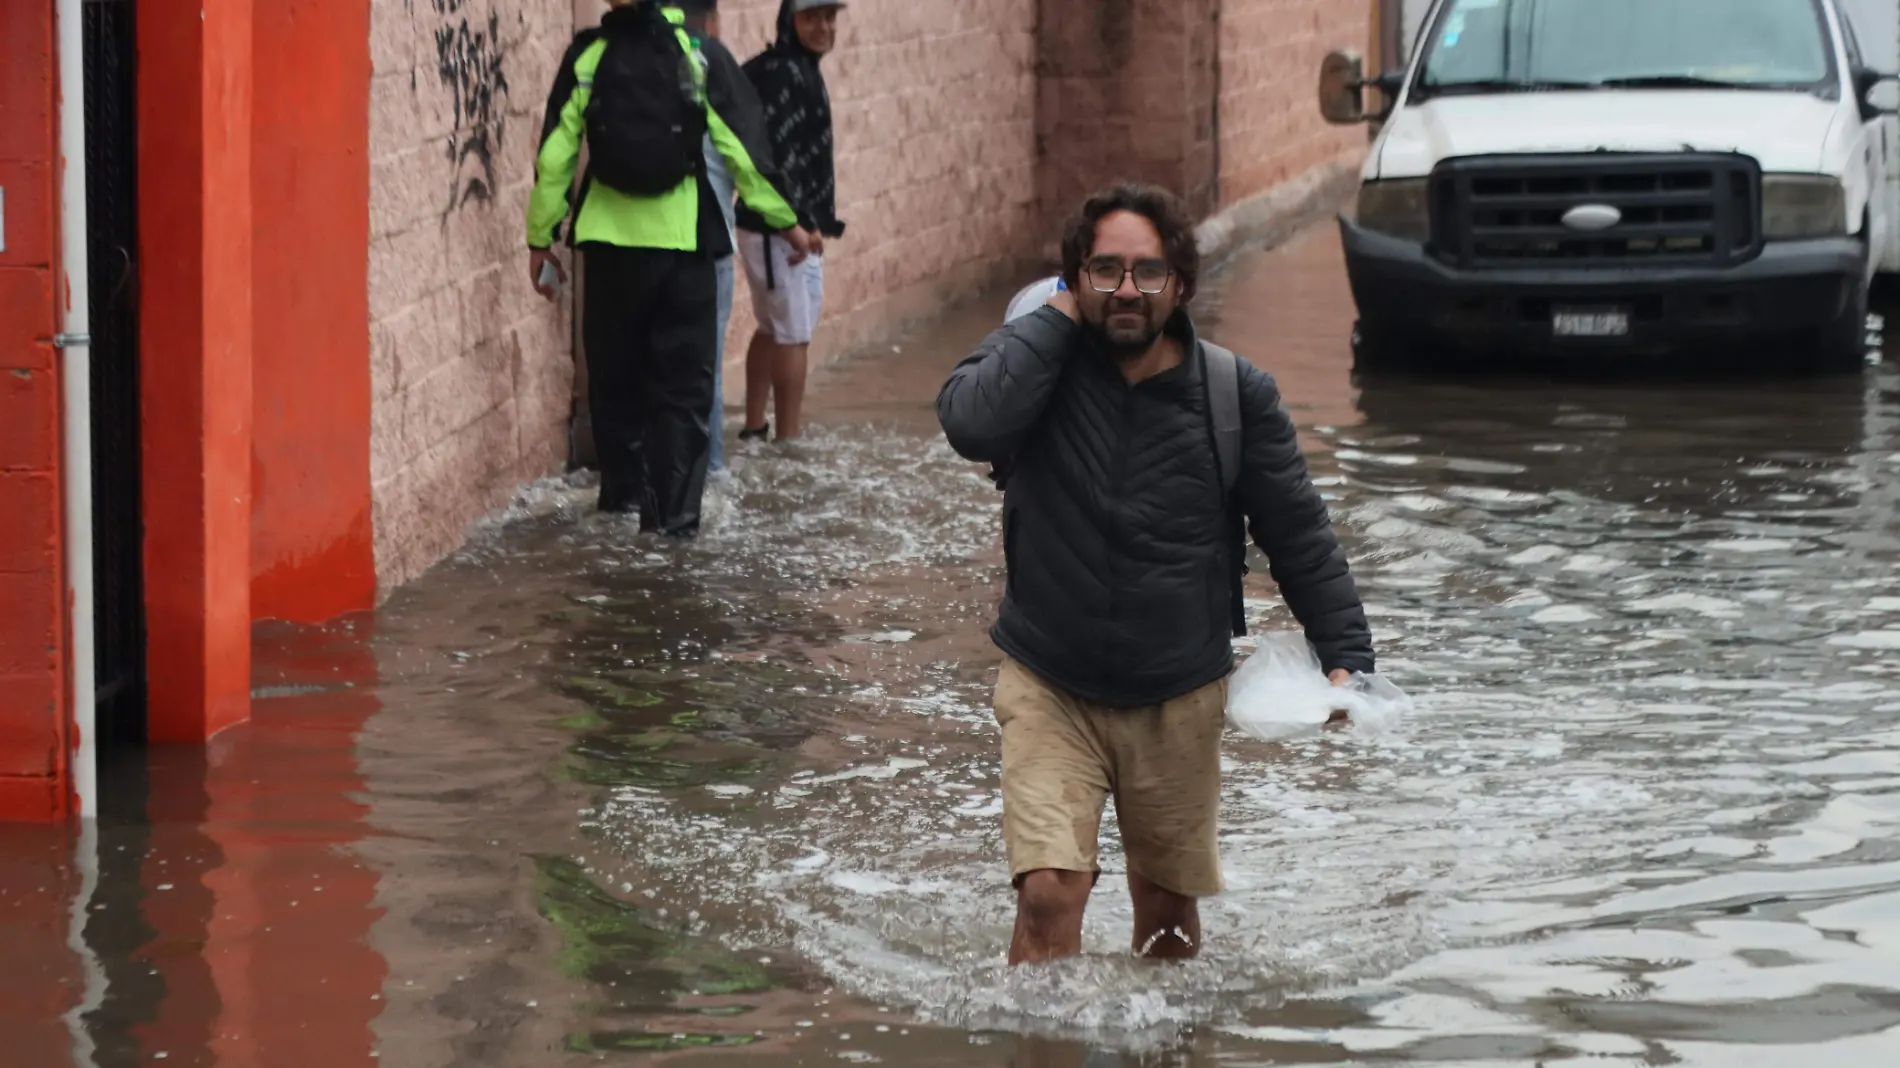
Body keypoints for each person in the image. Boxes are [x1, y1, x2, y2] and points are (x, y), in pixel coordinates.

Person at [936, 183, 1376, 966]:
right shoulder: (1038, 373)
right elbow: (969, 423)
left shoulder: (1234, 396)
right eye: (1105, 271)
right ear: (1075, 278)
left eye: (1147, 272)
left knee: (1168, 920)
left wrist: (1346, 658)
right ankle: (1040, 1051)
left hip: (1178, 694)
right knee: (1046, 894)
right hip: (1050, 682)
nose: (1128, 290)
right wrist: (1060, 315)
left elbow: (1299, 533)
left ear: (1182, 283)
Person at [527, 0, 813, 534]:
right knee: (681, 398)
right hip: (684, 252)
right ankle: (673, 532)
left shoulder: (587, 56)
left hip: (609, 253)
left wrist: (540, 240)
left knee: (616, 389)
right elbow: (745, 156)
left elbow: (555, 159)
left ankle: (620, 511)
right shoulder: (701, 56)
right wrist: (788, 223)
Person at [734, 0, 849, 443]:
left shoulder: (790, 67)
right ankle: (788, 441)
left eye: (829, 17)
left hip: (770, 225)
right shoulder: (785, 74)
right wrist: (797, 226)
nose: (822, 27)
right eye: (811, 17)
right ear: (789, 20)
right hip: (778, 229)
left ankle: (754, 427)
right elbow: (777, 161)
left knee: (772, 326)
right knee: (794, 334)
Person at [672, 0, 769, 477]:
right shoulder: (711, 60)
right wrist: (791, 223)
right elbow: (744, 156)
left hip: (640, 243)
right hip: (707, 242)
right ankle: (709, 472)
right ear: (712, 20)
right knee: (703, 367)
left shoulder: (622, 52)